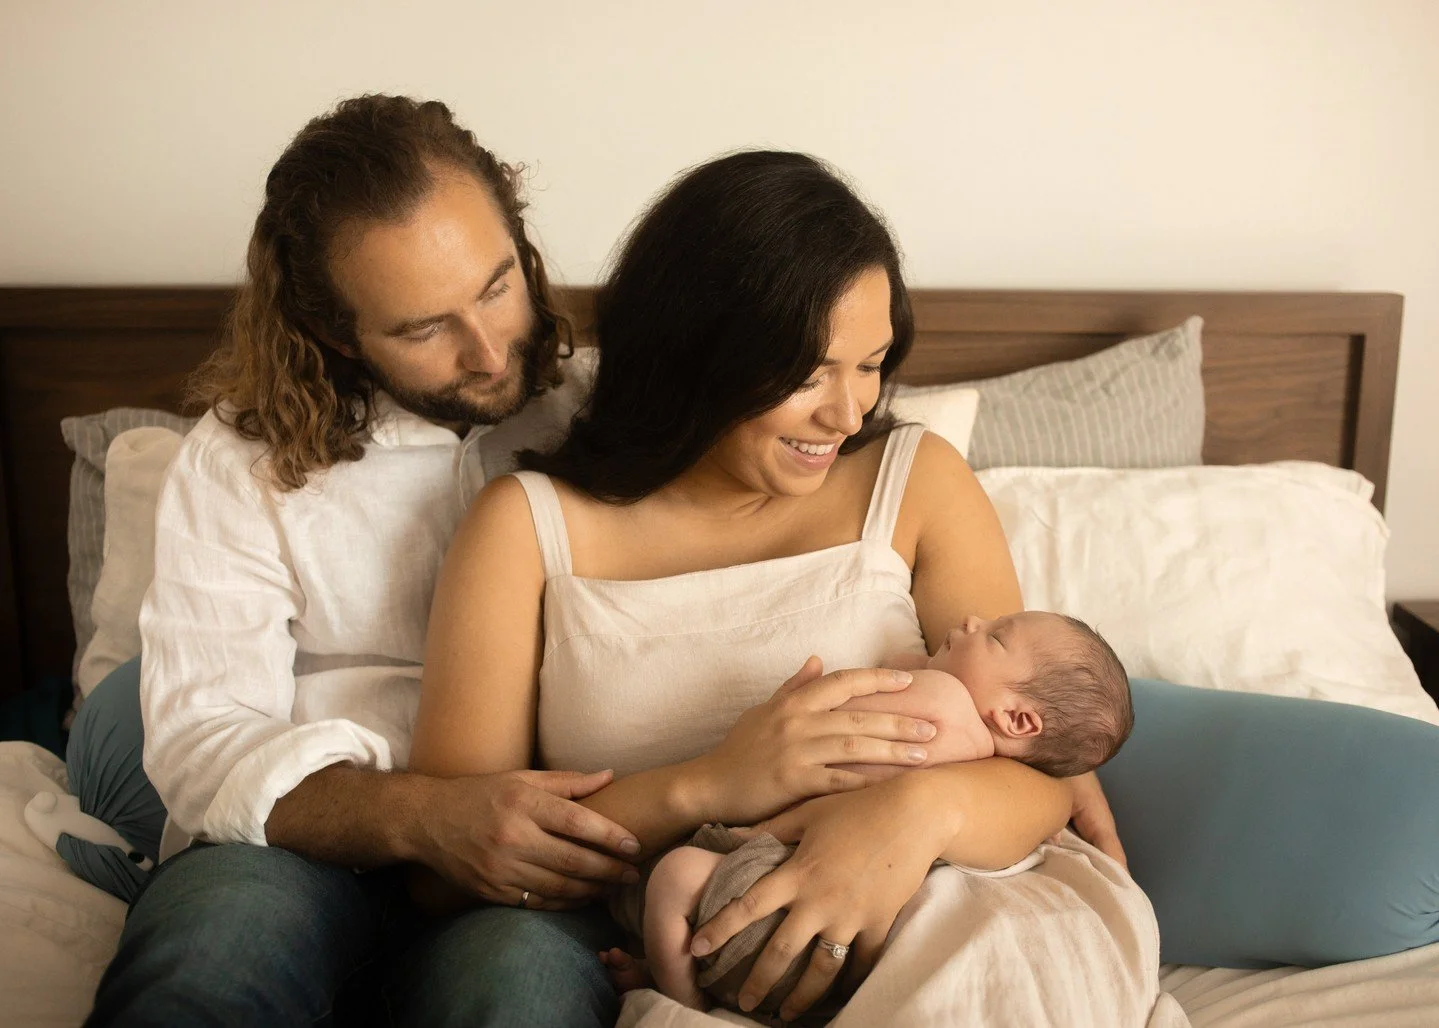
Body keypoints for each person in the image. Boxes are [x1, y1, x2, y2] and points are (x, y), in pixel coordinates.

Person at [409, 150, 1134, 1026]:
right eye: (807, 374)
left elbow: (1036, 773)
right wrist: (713, 784)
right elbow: (447, 871)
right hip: (659, 924)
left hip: (937, 895)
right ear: (692, 355)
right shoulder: (524, 526)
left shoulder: (918, 481)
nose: (849, 413)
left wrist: (913, 815)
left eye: (869, 365)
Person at [90, 93, 671, 1027]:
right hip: (291, 855)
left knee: (514, 1002)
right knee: (199, 974)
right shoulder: (239, 458)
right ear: (333, 331)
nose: (487, 350)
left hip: (524, 884)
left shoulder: (608, 414)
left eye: (496, 284)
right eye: (421, 328)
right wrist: (426, 818)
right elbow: (200, 743)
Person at [599, 609, 1135, 1022]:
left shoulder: (943, 697)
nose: (972, 619)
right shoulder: (990, 761)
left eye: (995, 636)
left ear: (1017, 719)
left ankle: (683, 1003)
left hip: (789, 871)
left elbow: (838, 720)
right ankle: (698, 980)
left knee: (673, 880)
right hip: (844, 917)